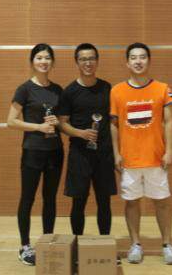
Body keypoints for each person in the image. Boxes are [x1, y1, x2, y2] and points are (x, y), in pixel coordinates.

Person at [110, 42, 172, 265]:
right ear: (127, 62)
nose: (138, 61)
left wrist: (169, 150)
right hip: (129, 159)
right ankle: (136, 245)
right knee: (132, 203)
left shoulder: (162, 88)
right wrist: (116, 153)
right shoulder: (116, 91)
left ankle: (167, 245)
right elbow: (113, 125)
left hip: (156, 158)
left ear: (149, 61)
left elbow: (169, 121)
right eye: (133, 57)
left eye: (142, 57)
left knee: (162, 202)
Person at [6, 43, 64, 266]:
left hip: (55, 152)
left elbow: (63, 120)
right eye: (39, 58)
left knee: (50, 199)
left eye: (47, 58)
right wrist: (38, 127)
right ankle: (25, 246)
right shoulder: (25, 89)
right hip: (33, 151)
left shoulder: (58, 90)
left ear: (52, 62)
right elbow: (11, 121)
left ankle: (47, 241)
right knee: (28, 198)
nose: (43, 61)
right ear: (32, 62)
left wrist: (56, 122)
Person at [57, 43, 117, 237]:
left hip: (104, 154)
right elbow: (62, 124)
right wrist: (80, 133)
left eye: (91, 58)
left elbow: (114, 121)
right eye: (83, 59)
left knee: (104, 202)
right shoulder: (69, 92)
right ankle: (78, 244)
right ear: (77, 62)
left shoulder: (107, 88)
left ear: (97, 61)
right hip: (79, 155)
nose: (88, 63)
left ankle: (105, 244)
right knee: (78, 202)